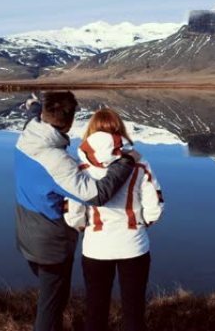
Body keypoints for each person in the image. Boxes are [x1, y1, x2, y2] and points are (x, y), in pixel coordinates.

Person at [14, 92, 140, 331]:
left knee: (50, 296)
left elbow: (33, 116)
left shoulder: (30, 132)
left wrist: (33, 105)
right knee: (51, 305)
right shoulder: (57, 162)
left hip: (26, 234)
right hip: (49, 245)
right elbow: (97, 194)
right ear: (71, 122)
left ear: (43, 114)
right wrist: (127, 161)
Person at [64, 108, 165, 331]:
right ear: (120, 131)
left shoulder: (79, 167)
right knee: (134, 313)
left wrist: (85, 228)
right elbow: (154, 208)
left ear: (90, 131)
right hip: (134, 246)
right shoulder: (140, 164)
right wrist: (140, 225)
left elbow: (73, 213)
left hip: (95, 247)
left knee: (95, 312)